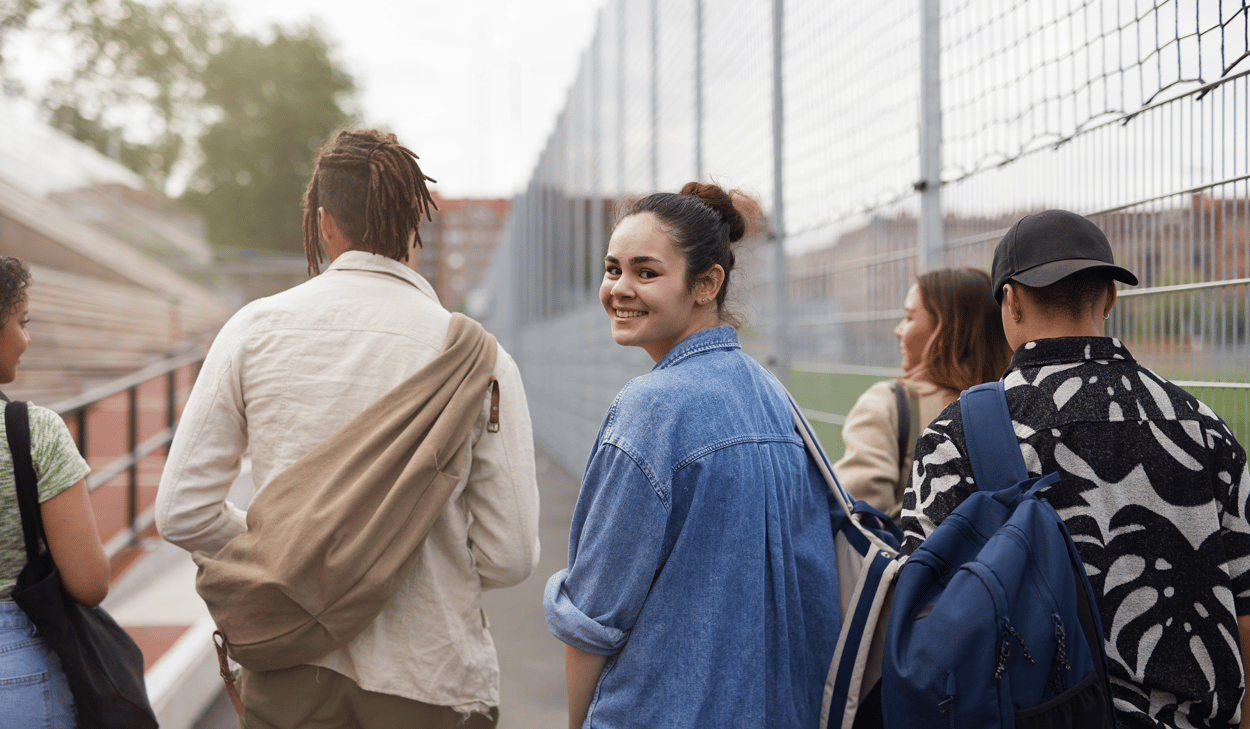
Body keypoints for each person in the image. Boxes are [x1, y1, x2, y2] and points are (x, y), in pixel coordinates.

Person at [156, 129, 539, 729]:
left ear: (323, 222)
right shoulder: (478, 359)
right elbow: (510, 556)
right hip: (430, 676)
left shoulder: (253, 330)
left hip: (288, 672)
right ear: (415, 223)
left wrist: (293, 559)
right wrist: (400, 554)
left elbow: (182, 512)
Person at [901, 209, 1250, 729]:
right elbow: (1245, 607)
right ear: (1109, 298)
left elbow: (927, 621)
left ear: (1010, 300)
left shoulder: (955, 438)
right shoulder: (1200, 426)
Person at [543, 183, 840, 728]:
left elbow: (593, 613)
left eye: (646, 272)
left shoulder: (651, 407)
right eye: (613, 270)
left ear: (707, 284)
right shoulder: (773, 396)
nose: (620, 289)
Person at [0, 256, 110, 728]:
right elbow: (90, 583)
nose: (27, 339)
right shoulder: (33, 432)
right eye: (21, 323)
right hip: (16, 665)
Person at [834, 267, 1010, 516]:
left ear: (946, 331)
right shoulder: (1014, 404)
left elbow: (859, 520)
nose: (898, 330)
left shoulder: (887, 404)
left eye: (908, 317)